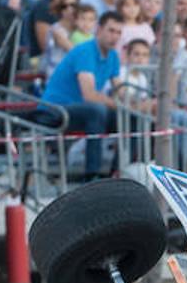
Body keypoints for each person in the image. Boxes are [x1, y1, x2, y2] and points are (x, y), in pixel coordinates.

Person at [39, 11, 124, 178]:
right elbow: (90, 95)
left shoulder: (113, 56)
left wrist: (137, 105)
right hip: (55, 109)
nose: (115, 36)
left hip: (79, 111)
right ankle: (91, 175)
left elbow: (121, 91)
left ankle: (118, 172)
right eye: (111, 31)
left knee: (131, 118)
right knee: (97, 111)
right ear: (99, 30)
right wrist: (124, 105)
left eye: (119, 32)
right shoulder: (85, 51)